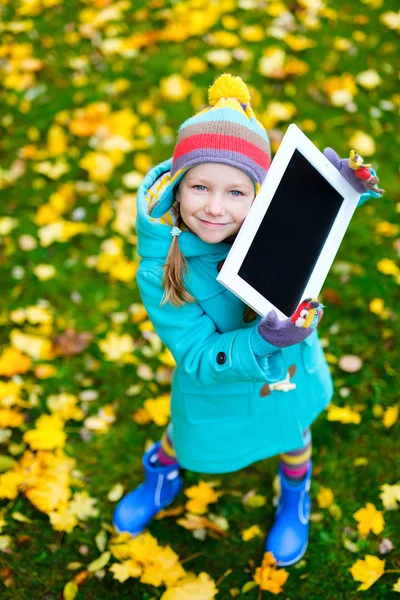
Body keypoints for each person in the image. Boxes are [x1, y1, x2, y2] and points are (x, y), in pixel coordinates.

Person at [113, 74, 382, 566]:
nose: (215, 207)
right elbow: (195, 353)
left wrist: (342, 190)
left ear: (261, 196)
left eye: (237, 193)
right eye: (199, 186)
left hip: (286, 369)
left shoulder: (266, 224)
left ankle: (294, 494)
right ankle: (161, 474)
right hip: (217, 383)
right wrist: (259, 339)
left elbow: (312, 224)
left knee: (293, 431)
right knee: (186, 437)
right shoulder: (162, 266)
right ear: (177, 187)